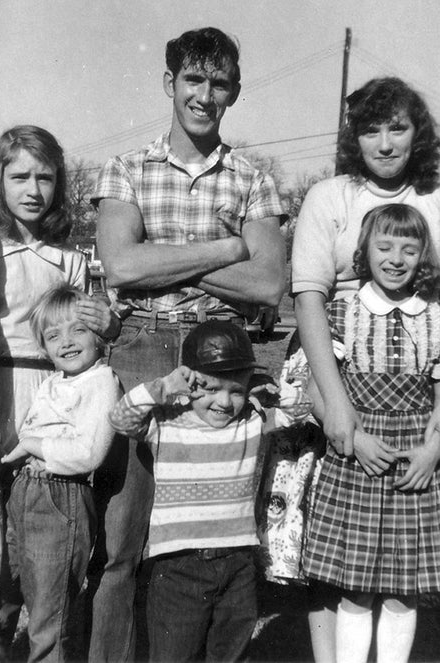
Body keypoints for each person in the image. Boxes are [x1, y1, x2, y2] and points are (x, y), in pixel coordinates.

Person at [90, 26, 287, 660]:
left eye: (220, 83)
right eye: (193, 80)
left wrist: (165, 258)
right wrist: (228, 247)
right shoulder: (125, 168)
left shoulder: (254, 179)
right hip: (144, 348)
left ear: (235, 91)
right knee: (124, 537)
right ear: (169, 83)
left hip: (226, 359)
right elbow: (120, 268)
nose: (205, 95)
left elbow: (267, 284)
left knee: (216, 531)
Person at [290, 77, 440, 662]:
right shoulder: (328, 196)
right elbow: (308, 297)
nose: (384, 143)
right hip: (332, 368)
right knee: (337, 559)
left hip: (418, 382)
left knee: (406, 562)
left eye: (398, 128)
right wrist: (335, 407)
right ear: (353, 136)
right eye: (370, 128)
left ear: (419, 134)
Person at [301, 203, 440, 663]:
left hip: (415, 461)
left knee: (404, 591)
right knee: (356, 589)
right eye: (384, 246)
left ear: (423, 255)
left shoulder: (438, 316)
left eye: (409, 248)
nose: (396, 258)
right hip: (357, 457)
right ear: (365, 249)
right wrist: (353, 439)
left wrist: (433, 453)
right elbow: (317, 391)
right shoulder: (345, 311)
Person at [0, 125, 119, 659]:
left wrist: (110, 321)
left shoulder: (70, 259)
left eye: (46, 177)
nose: (33, 189)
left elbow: (81, 333)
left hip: (50, 393)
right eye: (19, 176)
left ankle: (40, 627)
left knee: (40, 524)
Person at [109, 321, 279, 661]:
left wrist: (268, 387)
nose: (225, 402)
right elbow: (120, 418)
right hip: (178, 567)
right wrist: (163, 386)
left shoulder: (251, 422)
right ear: (189, 382)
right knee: (174, 655)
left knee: (230, 654)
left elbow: (301, 409)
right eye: (212, 389)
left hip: (238, 563)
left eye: (236, 390)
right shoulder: (167, 422)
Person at [0, 284, 121, 661]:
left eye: (78, 330)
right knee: (9, 589)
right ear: (43, 346)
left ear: (99, 337)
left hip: (61, 499)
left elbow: (87, 454)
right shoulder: (52, 383)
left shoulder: (102, 382)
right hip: (25, 491)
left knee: (51, 613)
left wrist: (32, 445)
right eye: (54, 335)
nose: (66, 342)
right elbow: (29, 436)